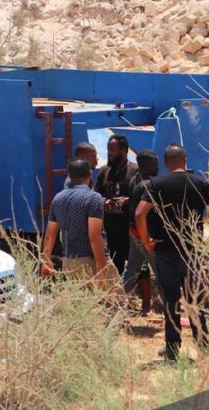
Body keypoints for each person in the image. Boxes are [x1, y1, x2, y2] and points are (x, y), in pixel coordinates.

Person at [135, 144, 209, 362]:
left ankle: (172, 349)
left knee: (171, 301)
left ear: (166, 163)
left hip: (165, 251)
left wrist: (146, 241)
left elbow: (139, 214)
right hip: (192, 251)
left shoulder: (156, 184)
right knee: (194, 300)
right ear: (185, 160)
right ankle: (203, 346)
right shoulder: (200, 183)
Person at [41, 158, 121, 288]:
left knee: (81, 299)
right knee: (115, 299)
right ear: (90, 174)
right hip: (90, 261)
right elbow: (94, 237)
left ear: (69, 176)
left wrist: (45, 261)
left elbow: (50, 235)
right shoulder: (93, 198)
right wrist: (103, 269)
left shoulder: (58, 198)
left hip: (68, 262)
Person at [94, 134, 139, 277]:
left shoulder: (135, 171)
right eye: (108, 149)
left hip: (129, 226)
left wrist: (126, 200)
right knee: (114, 262)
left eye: (112, 150)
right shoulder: (104, 171)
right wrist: (104, 201)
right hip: (110, 227)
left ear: (124, 150)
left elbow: (142, 197)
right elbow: (96, 194)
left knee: (136, 265)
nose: (109, 153)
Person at [122, 150, 159, 315]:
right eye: (154, 163)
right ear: (146, 165)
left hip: (134, 232)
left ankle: (115, 303)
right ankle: (172, 310)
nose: (157, 166)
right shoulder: (148, 185)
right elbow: (142, 213)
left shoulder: (134, 180)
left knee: (131, 271)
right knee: (161, 271)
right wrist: (148, 238)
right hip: (145, 234)